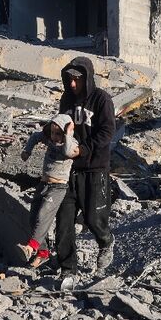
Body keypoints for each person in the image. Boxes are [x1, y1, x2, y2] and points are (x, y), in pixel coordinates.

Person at [54, 56, 116, 276]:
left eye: (76, 80)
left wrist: (84, 149)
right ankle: (68, 269)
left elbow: (107, 131)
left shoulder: (102, 99)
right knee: (64, 223)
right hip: (68, 169)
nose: (72, 84)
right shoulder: (66, 99)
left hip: (94, 168)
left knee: (93, 219)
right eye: (69, 79)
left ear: (87, 78)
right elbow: (60, 126)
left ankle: (106, 241)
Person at [17, 114, 80, 268]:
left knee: (43, 214)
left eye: (58, 134)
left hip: (58, 188)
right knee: (33, 218)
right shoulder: (49, 139)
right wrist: (27, 151)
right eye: (52, 133)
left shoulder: (71, 143)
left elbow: (67, 152)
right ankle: (43, 253)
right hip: (43, 184)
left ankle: (30, 247)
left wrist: (69, 133)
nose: (54, 137)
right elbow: (35, 137)